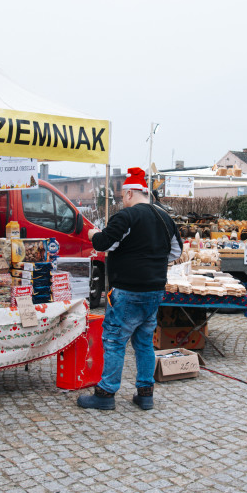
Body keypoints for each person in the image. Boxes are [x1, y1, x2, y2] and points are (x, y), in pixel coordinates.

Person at [77, 168, 183, 412]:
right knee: (144, 342)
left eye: (123, 194)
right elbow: (175, 252)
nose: (122, 199)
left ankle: (106, 393)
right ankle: (145, 394)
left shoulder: (126, 217)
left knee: (114, 341)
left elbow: (105, 243)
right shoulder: (166, 218)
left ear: (129, 194)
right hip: (154, 290)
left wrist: (94, 233)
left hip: (127, 290)